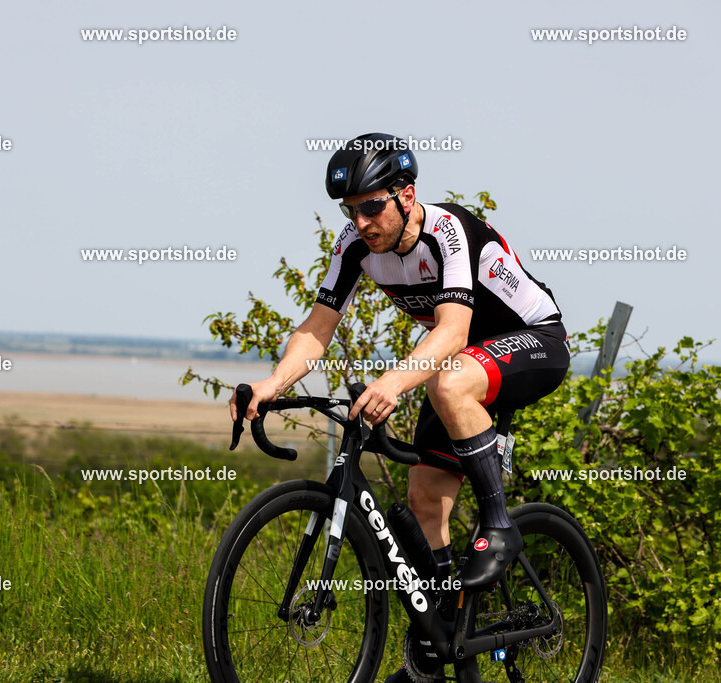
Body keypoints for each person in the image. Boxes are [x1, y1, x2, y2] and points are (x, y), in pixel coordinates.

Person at [229, 132, 570, 681]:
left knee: (448, 381)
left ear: (406, 195)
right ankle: (441, 644)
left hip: (534, 340)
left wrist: (393, 381)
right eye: (351, 210)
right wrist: (273, 381)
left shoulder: (448, 233)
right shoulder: (356, 245)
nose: (361, 222)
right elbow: (319, 327)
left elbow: (454, 331)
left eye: (371, 207)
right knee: (425, 499)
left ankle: (501, 526)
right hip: (462, 364)